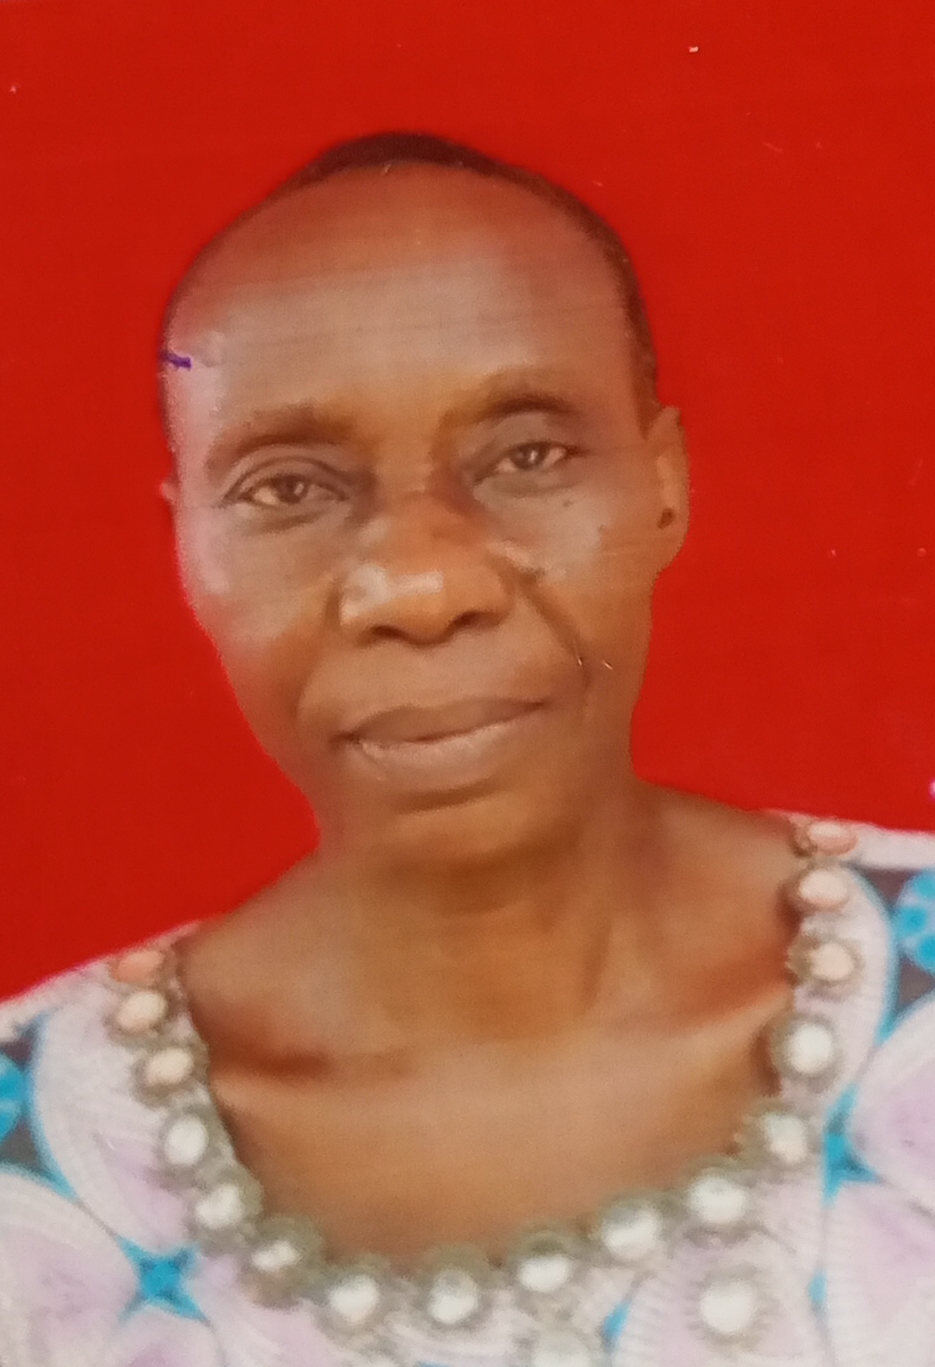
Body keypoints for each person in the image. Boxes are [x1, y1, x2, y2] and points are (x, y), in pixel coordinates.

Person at [1, 131, 933, 1367]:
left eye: (528, 455)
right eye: (289, 487)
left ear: (662, 484)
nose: (423, 585)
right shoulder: (32, 1175)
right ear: (189, 551)